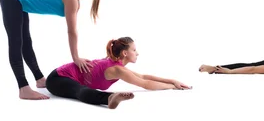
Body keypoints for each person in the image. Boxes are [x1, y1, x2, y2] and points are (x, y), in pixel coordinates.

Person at [0, 0, 111, 100]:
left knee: (26, 42)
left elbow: (72, 30)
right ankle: (23, 88)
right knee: (16, 42)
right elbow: (72, 31)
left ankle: (40, 79)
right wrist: (75, 57)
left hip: (20, 1)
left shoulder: (76, 1)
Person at [45, 37, 191, 108]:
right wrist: (172, 87)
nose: (137, 53)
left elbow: (144, 76)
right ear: (125, 53)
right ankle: (109, 99)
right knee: (80, 91)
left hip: (64, 78)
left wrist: (173, 81)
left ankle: (110, 98)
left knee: (81, 89)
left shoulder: (117, 65)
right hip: (58, 78)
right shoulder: (117, 69)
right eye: (134, 50)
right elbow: (146, 84)